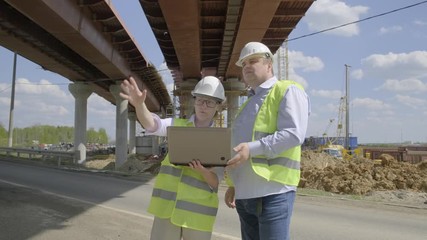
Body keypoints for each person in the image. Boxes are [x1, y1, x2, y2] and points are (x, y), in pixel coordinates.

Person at [120, 75, 226, 240]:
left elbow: (215, 182)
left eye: (210, 102)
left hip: (197, 216)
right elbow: (151, 125)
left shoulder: (220, 139)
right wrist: (140, 106)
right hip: (167, 209)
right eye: (200, 100)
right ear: (194, 100)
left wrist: (202, 171)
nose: (203, 106)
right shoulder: (177, 126)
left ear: (218, 106)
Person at [224, 42, 310, 240]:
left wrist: (252, 149)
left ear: (269, 65)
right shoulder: (247, 105)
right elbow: (238, 148)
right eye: (243, 63)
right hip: (245, 195)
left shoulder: (287, 90)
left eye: (253, 61)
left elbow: (293, 134)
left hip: (273, 192)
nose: (246, 66)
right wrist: (234, 184)